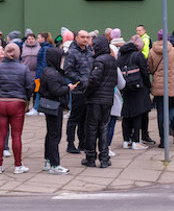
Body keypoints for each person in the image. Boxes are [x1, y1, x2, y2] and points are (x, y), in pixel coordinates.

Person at [0, 43, 34, 174]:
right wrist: (26, 98)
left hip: (0, 103)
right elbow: (30, 86)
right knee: (16, 135)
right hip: (17, 103)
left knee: (0, 135)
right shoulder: (24, 68)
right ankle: (18, 165)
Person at [39, 47, 77, 174]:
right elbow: (56, 90)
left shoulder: (50, 71)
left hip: (51, 106)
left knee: (51, 134)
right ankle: (55, 165)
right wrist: (68, 88)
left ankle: (49, 161)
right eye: (61, 58)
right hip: (54, 106)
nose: (63, 60)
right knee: (55, 135)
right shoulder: (52, 73)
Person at [81, 35, 117, 168]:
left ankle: (90, 157)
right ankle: (104, 158)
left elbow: (94, 81)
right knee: (104, 128)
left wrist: (86, 92)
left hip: (95, 100)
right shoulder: (112, 60)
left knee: (91, 129)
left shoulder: (99, 61)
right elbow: (115, 80)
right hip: (107, 99)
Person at [118, 35, 153, 150]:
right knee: (138, 114)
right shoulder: (138, 55)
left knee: (127, 114)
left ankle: (126, 140)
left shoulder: (121, 55)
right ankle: (136, 141)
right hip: (138, 88)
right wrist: (148, 86)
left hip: (125, 88)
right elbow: (144, 73)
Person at [149, 30, 174, 147]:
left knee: (160, 112)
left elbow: (151, 69)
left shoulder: (152, 51)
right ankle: (168, 121)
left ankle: (163, 140)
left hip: (158, 85)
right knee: (173, 107)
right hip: (172, 85)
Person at [64, 30, 93, 154]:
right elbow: (68, 70)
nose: (85, 39)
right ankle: (70, 143)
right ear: (77, 38)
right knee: (74, 118)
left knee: (85, 119)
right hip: (78, 90)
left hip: (89, 90)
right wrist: (80, 80)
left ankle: (83, 143)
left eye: (87, 37)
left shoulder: (90, 52)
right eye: (82, 37)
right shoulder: (72, 53)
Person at [22, 32, 40, 116]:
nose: (30, 40)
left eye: (32, 39)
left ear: (35, 39)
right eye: (29, 39)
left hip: (36, 72)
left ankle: (35, 107)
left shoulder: (39, 47)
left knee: (36, 90)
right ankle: (26, 106)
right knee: (27, 90)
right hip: (26, 72)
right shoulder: (23, 47)